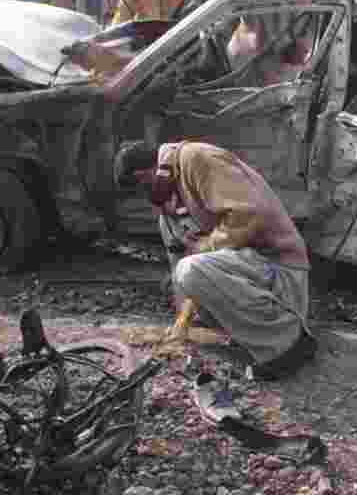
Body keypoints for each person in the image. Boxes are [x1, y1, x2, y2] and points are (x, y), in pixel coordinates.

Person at [115, 141, 317, 383]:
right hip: (247, 274)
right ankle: (251, 338)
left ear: (144, 175)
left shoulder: (195, 158)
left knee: (191, 269)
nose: (146, 196)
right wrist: (182, 324)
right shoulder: (169, 209)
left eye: (141, 187)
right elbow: (183, 274)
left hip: (277, 268)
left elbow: (248, 214)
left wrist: (204, 248)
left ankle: (288, 345)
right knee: (181, 279)